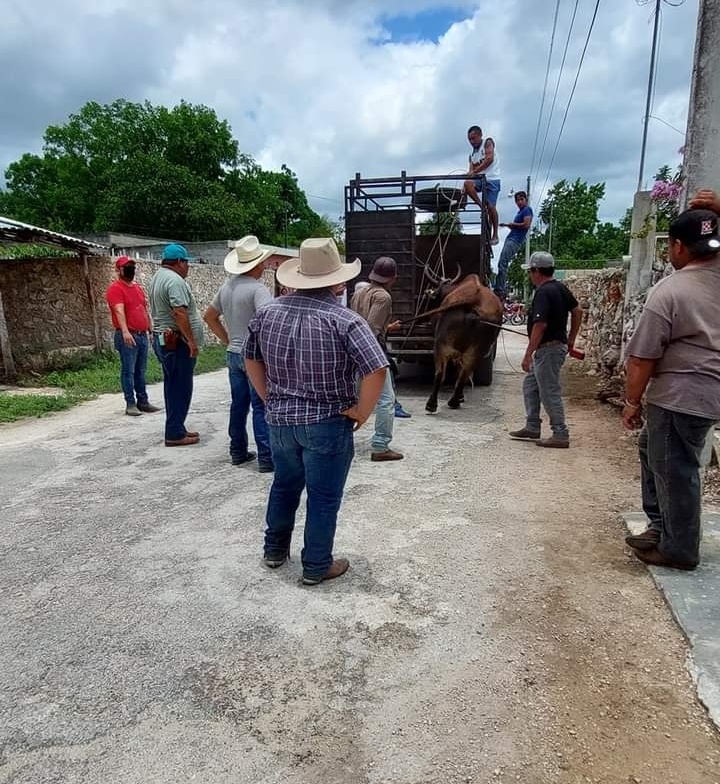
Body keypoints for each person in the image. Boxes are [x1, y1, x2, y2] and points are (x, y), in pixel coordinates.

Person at [244, 238, 388, 586]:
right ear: (338, 281)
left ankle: (274, 551)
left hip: (280, 421)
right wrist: (362, 412)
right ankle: (316, 565)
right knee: (323, 497)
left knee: (284, 485)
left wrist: (269, 398)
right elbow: (376, 369)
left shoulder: (268, 313)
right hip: (327, 421)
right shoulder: (345, 321)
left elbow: (250, 357)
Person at [622, 207, 720, 571]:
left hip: (679, 395)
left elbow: (643, 358)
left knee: (675, 469)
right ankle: (662, 526)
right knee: (655, 450)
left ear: (677, 247)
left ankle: (678, 549)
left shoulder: (670, 291)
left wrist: (632, 401)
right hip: (708, 394)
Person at [203, 236, 274, 470]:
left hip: (233, 353)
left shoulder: (227, 286)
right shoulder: (258, 290)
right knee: (261, 406)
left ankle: (238, 451)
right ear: (255, 265)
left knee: (239, 404)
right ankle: (266, 457)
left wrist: (228, 339)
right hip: (254, 356)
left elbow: (209, 316)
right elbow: (268, 324)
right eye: (262, 262)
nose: (264, 266)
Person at [509, 251, 582, 448]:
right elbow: (577, 311)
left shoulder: (543, 292)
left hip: (547, 350)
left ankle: (560, 433)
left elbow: (539, 325)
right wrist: (571, 339)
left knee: (549, 391)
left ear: (536, 271)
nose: (529, 276)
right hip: (554, 348)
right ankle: (532, 426)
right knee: (530, 386)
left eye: (530, 271)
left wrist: (527, 354)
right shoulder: (560, 288)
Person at [148, 243, 204, 447]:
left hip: (163, 339)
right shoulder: (174, 281)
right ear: (180, 262)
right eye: (186, 262)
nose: (188, 266)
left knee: (172, 386)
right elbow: (179, 312)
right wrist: (191, 341)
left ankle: (176, 427)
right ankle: (174, 433)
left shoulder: (158, 277)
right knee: (181, 387)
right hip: (176, 341)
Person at [350, 256, 405, 461]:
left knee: (352, 397)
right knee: (386, 400)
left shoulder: (359, 293)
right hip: (371, 354)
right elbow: (370, 331)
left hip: (353, 352)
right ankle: (380, 446)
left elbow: (358, 323)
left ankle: (344, 438)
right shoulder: (383, 297)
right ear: (393, 278)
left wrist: (387, 327)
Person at [105, 256, 160, 417]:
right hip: (128, 335)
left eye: (132, 267)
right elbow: (118, 310)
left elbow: (143, 308)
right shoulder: (115, 289)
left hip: (141, 334)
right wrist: (125, 331)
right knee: (128, 371)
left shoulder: (136, 288)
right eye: (126, 267)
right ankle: (130, 403)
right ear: (118, 270)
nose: (130, 270)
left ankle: (143, 401)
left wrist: (149, 327)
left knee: (140, 371)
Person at [353, 281, 410, 419]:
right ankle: (381, 438)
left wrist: (389, 327)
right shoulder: (382, 297)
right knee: (386, 396)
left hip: (358, 346)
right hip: (373, 347)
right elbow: (372, 328)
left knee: (357, 386)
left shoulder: (357, 298)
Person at [462, 125, 501, 245]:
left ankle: (495, 234)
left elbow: (489, 159)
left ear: (480, 135)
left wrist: (474, 172)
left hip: (492, 179)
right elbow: (470, 171)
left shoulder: (487, 143)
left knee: (491, 206)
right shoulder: (472, 155)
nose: (471, 142)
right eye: (469, 139)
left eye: (473, 138)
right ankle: (481, 206)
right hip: (479, 180)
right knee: (467, 184)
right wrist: (464, 187)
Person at [495, 191, 533, 299]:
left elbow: (526, 225)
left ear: (526, 199)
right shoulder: (519, 212)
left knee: (503, 263)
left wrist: (512, 224)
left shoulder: (527, 210)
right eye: (517, 200)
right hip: (511, 238)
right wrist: (508, 225)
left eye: (522, 199)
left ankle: (499, 289)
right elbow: (517, 226)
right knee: (501, 263)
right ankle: (499, 287)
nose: (520, 202)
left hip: (515, 240)